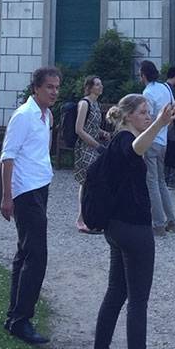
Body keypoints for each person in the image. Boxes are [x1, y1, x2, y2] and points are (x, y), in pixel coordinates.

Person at [90, 91, 175, 349]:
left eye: (150, 112)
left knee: (116, 293)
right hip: (133, 228)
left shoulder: (118, 142)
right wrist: (160, 125)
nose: (148, 116)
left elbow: (140, 146)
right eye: (143, 112)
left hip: (116, 228)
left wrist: (160, 124)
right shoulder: (126, 141)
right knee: (137, 300)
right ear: (128, 115)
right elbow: (137, 148)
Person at [0, 65, 61, 345]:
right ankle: (22, 319)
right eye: (49, 87)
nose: (54, 92)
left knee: (24, 254)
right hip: (25, 192)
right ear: (36, 88)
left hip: (40, 186)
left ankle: (15, 316)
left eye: (57, 87)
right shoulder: (23, 116)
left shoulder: (46, 116)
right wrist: (7, 196)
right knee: (36, 256)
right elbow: (7, 157)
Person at [139, 60, 175, 234]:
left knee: (152, 183)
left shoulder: (147, 93)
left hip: (152, 139)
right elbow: (174, 112)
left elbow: (146, 118)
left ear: (143, 75)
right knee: (161, 182)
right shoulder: (165, 88)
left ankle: (158, 224)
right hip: (163, 140)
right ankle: (172, 221)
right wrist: (165, 127)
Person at [74, 75, 108, 232]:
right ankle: (82, 219)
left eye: (100, 84)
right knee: (86, 182)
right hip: (86, 148)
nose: (100, 87)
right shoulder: (85, 103)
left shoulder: (96, 104)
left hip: (94, 146)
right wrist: (96, 144)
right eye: (97, 84)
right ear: (90, 87)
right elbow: (79, 129)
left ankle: (89, 217)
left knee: (92, 183)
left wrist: (103, 133)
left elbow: (92, 127)